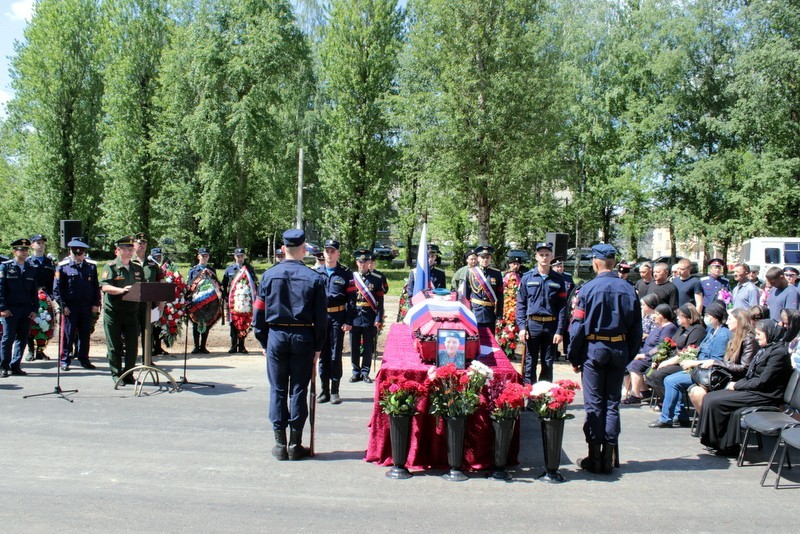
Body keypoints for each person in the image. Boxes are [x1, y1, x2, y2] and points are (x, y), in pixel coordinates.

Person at [567, 244, 642, 474]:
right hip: (618, 349)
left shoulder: (588, 289)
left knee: (594, 404)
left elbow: (577, 327)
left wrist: (573, 355)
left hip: (595, 348)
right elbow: (636, 328)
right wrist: (627, 354)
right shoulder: (629, 289)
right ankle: (607, 458)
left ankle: (595, 457)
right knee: (612, 403)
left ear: (595, 262)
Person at [253, 229, 327, 461]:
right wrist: (318, 347)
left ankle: (279, 444)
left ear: (283, 249)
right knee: (298, 390)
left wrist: (264, 340)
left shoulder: (268, 276)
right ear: (304, 250)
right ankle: (295, 444)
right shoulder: (314, 278)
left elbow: (258, 314)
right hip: (303, 337)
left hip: (276, 335)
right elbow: (321, 318)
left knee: (277, 390)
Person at [699, 319, 793, 456]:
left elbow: (764, 381)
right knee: (710, 397)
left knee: (716, 401)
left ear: (770, 334)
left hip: (765, 394)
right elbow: (752, 374)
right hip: (755, 389)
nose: (756, 337)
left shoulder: (779, 353)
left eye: (759, 334)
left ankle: (727, 446)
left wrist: (737, 385)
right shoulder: (767, 348)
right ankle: (718, 442)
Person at [648, 301, 731, 428]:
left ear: (715, 316)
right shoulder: (712, 331)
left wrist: (693, 362)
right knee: (669, 380)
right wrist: (689, 355)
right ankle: (675, 416)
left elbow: (715, 360)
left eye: (708, 315)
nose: (706, 318)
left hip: (708, 372)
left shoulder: (722, 334)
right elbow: (701, 349)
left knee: (671, 380)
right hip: (699, 368)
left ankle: (668, 418)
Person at [687, 308, 759, 417]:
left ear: (739, 321)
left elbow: (744, 368)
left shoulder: (749, 340)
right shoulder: (734, 338)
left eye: (730, 319)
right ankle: (708, 424)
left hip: (737, 380)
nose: (727, 322)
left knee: (700, 394)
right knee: (695, 392)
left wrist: (716, 362)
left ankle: (712, 425)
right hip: (728, 375)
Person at [515, 242, 566, 383]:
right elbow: (521, 304)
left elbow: (562, 307)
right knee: (530, 362)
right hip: (532, 325)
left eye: (547, 255)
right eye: (541, 254)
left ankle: (543, 397)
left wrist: (560, 330)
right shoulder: (527, 277)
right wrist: (522, 328)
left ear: (552, 257)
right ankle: (530, 397)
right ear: (536, 257)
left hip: (550, 326)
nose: (544, 257)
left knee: (548, 362)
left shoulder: (559, 279)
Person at [100, 236, 145, 384]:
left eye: (131, 249)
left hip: (131, 312)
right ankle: (116, 374)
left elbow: (142, 286)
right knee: (114, 345)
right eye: (125, 249)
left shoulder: (137, 268)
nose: (129, 251)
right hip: (114, 312)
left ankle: (129, 374)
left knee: (132, 345)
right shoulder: (111, 267)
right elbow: (105, 286)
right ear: (117, 251)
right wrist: (121, 290)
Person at [315, 239, 355, 405]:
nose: (330, 254)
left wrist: (348, 320)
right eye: (327, 251)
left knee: (335, 354)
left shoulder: (346, 273)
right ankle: (323, 390)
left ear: (338, 253)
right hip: (321, 318)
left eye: (333, 251)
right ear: (323, 253)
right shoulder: (317, 273)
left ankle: (334, 391)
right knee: (321, 355)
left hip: (338, 318)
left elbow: (352, 300)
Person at [53, 238, 101, 371]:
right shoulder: (63, 267)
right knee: (67, 333)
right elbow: (57, 290)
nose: (79, 256)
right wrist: (63, 306)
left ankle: (84, 358)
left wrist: (96, 303)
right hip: (70, 306)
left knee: (85, 334)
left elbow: (95, 287)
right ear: (70, 252)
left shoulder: (91, 266)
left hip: (86, 306)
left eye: (81, 253)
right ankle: (64, 359)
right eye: (76, 253)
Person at [622, 303, 676, 404]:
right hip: (646, 354)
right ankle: (644, 391)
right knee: (630, 362)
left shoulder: (669, 327)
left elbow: (661, 346)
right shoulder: (658, 326)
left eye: (656, 314)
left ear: (662, 315)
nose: (653, 316)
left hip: (655, 357)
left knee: (635, 365)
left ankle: (635, 395)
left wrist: (644, 355)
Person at [0, 239, 39, 377]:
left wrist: (35, 309)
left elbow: (34, 292)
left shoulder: (30, 268)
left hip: (26, 309)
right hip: (10, 309)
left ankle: (15, 366)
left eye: (25, 250)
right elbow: (1, 290)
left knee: (22, 338)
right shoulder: (5, 267)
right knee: (8, 338)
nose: (24, 252)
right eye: (21, 249)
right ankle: (3, 366)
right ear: (14, 251)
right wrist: (3, 308)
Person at [349, 249, 384, 384]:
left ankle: (365, 372)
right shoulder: (352, 278)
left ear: (369, 262)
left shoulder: (376, 279)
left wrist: (378, 318)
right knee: (354, 346)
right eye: (360, 261)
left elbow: (380, 301)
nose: (362, 264)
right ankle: (355, 372)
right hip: (354, 316)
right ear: (356, 262)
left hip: (370, 316)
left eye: (365, 261)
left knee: (368, 347)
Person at [132, 233, 166, 359]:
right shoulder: (129, 261)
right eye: (139, 243)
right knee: (132, 332)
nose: (141, 245)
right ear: (134, 244)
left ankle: (147, 359)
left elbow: (161, 282)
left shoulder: (152, 264)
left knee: (148, 331)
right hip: (132, 303)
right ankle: (131, 358)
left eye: (144, 243)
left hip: (149, 304)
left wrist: (161, 301)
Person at [25, 234, 55, 361]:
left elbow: (54, 281)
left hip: (46, 298)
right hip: (31, 298)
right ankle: (31, 350)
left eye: (42, 243)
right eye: (38, 243)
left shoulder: (49, 262)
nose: (41, 245)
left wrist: (52, 296)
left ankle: (41, 350)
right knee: (31, 324)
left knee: (46, 323)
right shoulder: (27, 262)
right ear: (32, 245)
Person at [222, 247, 256, 354]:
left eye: (242, 256)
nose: (240, 258)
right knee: (233, 323)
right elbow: (224, 284)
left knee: (244, 323)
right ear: (234, 257)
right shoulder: (229, 269)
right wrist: (225, 297)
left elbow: (254, 283)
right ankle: (233, 345)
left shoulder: (249, 268)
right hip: (233, 301)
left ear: (244, 256)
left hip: (246, 301)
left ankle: (242, 346)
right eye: (238, 256)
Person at [187, 247, 218, 354]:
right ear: (198, 257)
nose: (204, 258)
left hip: (209, 302)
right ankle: (196, 346)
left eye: (206, 256)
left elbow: (216, 284)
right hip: (196, 302)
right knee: (196, 323)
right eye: (202, 256)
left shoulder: (212, 270)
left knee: (207, 323)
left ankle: (203, 346)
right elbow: (189, 286)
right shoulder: (193, 271)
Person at [465, 245, 504, 330]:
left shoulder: (496, 274)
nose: (485, 260)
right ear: (478, 258)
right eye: (482, 257)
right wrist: (466, 314)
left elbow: (500, 296)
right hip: (475, 313)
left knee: (490, 340)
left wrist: (499, 315)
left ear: (490, 259)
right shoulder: (471, 273)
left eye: (487, 257)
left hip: (490, 314)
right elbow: (466, 295)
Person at [496, 253, 523, 361]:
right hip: (506, 305)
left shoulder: (520, 276)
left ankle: (511, 350)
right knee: (505, 330)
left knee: (513, 330)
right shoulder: (505, 276)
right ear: (509, 264)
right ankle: (504, 349)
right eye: (513, 264)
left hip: (516, 306)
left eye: (517, 264)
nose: (515, 266)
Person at [551, 256, 574, 358]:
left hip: (567, 308)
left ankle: (568, 352)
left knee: (567, 330)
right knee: (555, 329)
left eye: (561, 266)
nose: (560, 269)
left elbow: (573, 292)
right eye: (557, 267)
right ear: (552, 268)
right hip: (554, 308)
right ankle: (554, 352)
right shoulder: (551, 277)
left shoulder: (568, 277)